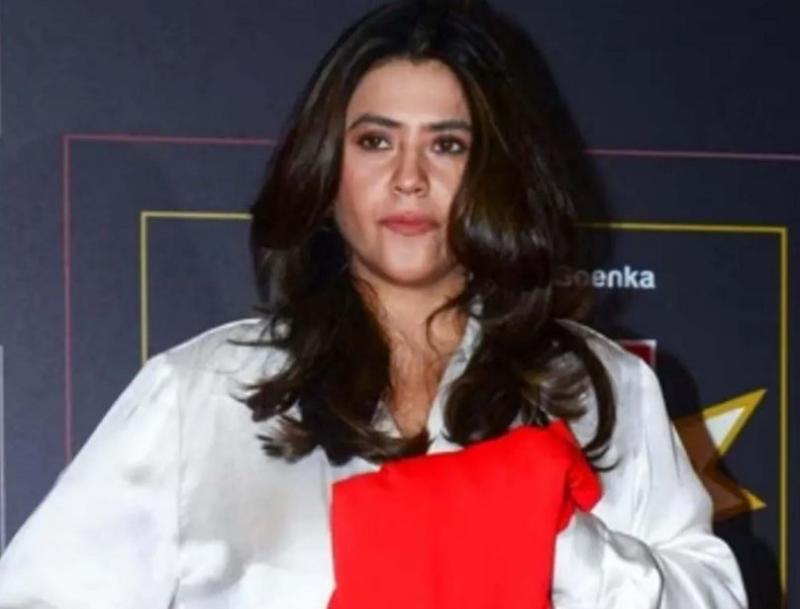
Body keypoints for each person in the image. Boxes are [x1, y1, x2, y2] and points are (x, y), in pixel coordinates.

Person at [0, 1, 747, 607]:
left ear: (496, 173)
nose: (410, 177)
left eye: (448, 145)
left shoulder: (601, 388)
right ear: (328, 168)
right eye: (375, 142)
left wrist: (556, 542)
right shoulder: (200, 393)